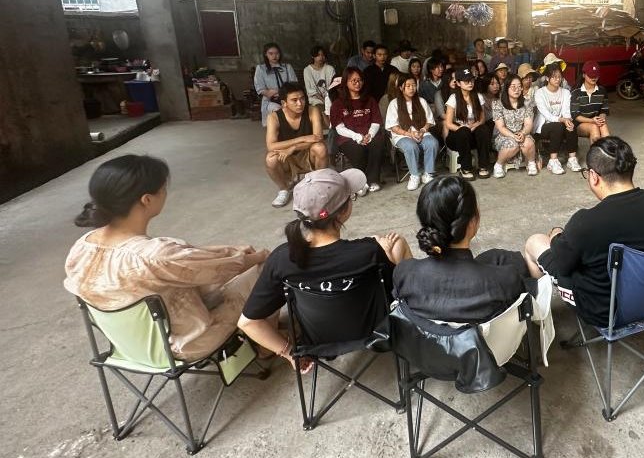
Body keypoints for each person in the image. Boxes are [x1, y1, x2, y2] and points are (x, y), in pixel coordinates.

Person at [65, 155, 268, 361]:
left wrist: (231, 250)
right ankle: (266, 347)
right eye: (163, 189)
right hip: (185, 343)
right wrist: (260, 256)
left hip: (132, 348)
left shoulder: (82, 247)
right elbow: (223, 268)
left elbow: (190, 257)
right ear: (147, 199)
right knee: (267, 268)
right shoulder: (155, 254)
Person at [238, 168, 411, 371]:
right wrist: (385, 252)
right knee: (396, 243)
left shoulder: (282, 259)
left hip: (318, 342)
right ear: (344, 211)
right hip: (376, 331)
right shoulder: (368, 251)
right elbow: (394, 286)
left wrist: (289, 353)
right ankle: (419, 320)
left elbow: (247, 322)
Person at [523, 137, 644, 327]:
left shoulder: (586, 222)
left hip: (606, 312)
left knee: (534, 242)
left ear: (593, 176)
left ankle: (539, 322)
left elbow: (563, 267)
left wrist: (556, 236)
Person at [393, 176, 535, 323]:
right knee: (516, 263)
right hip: (490, 337)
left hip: (426, 337)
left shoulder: (404, 274)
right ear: (472, 221)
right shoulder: (505, 280)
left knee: (497, 256)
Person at [265, 82, 328, 208]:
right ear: (284, 103)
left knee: (320, 148)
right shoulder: (274, 117)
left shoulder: (312, 111)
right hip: (286, 157)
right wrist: (302, 138)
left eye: (302, 98)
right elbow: (271, 146)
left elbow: (318, 137)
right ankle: (284, 189)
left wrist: (293, 147)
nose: (300, 103)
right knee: (270, 159)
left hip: (307, 154)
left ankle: (319, 185)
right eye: (294, 100)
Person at [329, 67, 387, 194]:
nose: (357, 83)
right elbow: (339, 128)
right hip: (348, 137)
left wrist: (369, 135)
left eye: (360, 80)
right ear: (346, 82)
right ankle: (360, 182)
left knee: (378, 143)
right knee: (358, 150)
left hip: (369, 134)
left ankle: (373, 180)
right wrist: (357, 137)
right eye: (353, 80)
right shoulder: (338, 104)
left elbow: (376, 121)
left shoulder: (370, 100)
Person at [386, 73, 440, 190]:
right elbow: (393, 127)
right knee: (411, 146)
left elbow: (429, 121)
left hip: (421, 132)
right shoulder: (394, 103)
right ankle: (414, 175)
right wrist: (409, 134)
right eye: (408, 86)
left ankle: (428, 173)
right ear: (401, 87)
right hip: (402, 135)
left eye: (414, 85)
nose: (412, 88)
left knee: (432, 143)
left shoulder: (421, 101)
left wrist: (422, 130)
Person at [444, 66, 492, 180]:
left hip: (473, 134)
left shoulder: (478, 96)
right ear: (458, 83)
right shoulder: (453, 98)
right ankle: (466, 168)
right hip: (457, 137)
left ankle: (483, 166)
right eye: (466, 81)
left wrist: (474, 126)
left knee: (484, 129)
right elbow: (448, 123)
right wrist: (463, 128)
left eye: (471, 80)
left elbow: (482, 119)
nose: (470, 83)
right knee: (463, 132)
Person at [533, 63, 581, 174]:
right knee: (558, 126)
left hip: (560, 124)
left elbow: (566, 111)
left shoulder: (565, 92)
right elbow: (546, 114)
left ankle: (572, 159)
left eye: (559, 77)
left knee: (571, 124)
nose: (557, 79)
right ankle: (553, 161)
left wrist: (567, 120)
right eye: (554, 77)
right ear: (547, 78)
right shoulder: (540, 93)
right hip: (544, 127)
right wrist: (562, 120)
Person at [492, 75, 538, 178]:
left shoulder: (527, 103)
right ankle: (498, 165)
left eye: (519, 86)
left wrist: (523, 133)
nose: (517, 89)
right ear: (506, 88)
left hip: (522, 133)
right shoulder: (498, 104)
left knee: (528, 142)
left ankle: (531, 163)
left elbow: (528, 124)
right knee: (513, 144)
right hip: (504, 135)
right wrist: (513, 136)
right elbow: (501, 127)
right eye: (513, 86)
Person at [253, 42, 298, 126]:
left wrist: (278, 92)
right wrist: (278, 91)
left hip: (288, 98)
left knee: (293, 109)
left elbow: (293, 85)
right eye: (271, 54)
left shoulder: (287, 67)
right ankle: (276, 132)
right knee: (279, 110)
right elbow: (261, 89)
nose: (274, 56)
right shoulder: (261, 69)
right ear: (266, 54)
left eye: (277, 53)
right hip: (270, 100)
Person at [570, 60, 611, 141]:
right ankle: (596, 149)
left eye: (596, 75)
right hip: (579, 124)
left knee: (603, 126)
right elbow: (576, 116)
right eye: (591, 75)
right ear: (583, 75)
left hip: (595, 121)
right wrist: (592, 121)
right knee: (594, 127)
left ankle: (607, 148)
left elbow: (604, 110)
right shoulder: (576, 92)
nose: (594, 78)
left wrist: (600, 119)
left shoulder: (602, 91)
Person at [303, 44, 336, 121]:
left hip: (330, 97)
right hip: (315, 99)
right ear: (313, 56)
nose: (321, 57)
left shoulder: (330, 69)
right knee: (321, 110)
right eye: (318, 55)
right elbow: (310, 90)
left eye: (323, 55)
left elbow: (333, 87)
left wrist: (328, 99)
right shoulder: (307, 70)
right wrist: (324, 100)